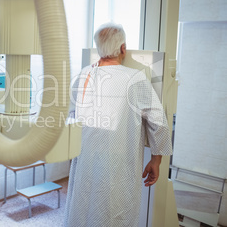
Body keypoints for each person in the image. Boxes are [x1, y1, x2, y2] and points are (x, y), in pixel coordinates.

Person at [64, 23, 173, 227]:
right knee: (114, 212)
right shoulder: (134, 78)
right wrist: (156, 160)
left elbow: (72, 115)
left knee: (83, 207)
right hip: (118, 164)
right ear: (123, 48)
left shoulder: (83, 74)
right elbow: (159, 123)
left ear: (98, 49)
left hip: (85, 159)